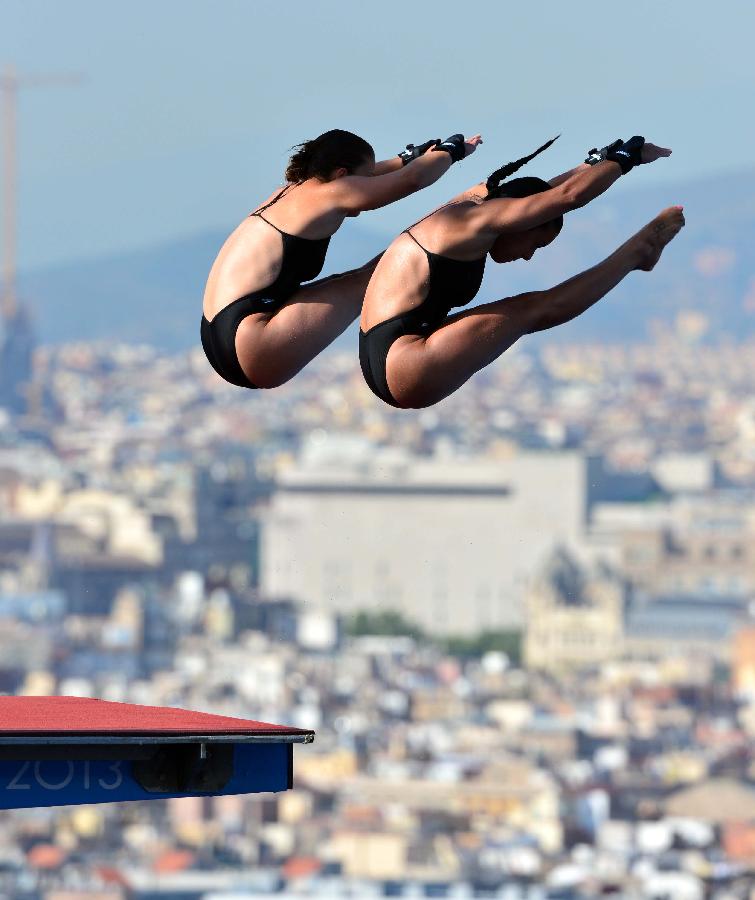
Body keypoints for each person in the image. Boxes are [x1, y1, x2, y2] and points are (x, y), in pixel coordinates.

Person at [359, 135, 683, 408]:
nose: (528, 256)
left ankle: (637, 252)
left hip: (395, 357)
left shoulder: (476, 208)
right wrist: (627, 159)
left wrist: (595, 163)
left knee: (527, 306)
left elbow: (541, 192)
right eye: (535, 244)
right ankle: (637, 253)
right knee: (534, 309)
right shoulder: (470, 223)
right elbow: (568, 197)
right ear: (520, 223)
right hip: (406, 365)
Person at [201, 128, 482, 389]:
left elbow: (372, 176)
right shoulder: (332, 194)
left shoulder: (295, 190)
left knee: (362, 275)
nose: (366, 186)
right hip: (253, 346)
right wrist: (452, 152)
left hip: (225, 334)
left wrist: (409, 157)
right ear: (341, 174)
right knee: (392, 271)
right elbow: (412, 180)